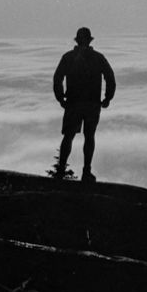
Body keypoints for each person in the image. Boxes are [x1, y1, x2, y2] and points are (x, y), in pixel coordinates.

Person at [52, 27, 116, 182]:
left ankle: (61, 170)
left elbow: (57, 78)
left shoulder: (68, 57)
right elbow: (110, 78)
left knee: (69, 136)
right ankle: (86, 172)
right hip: (92, 104)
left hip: (73, 103)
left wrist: (61, 98)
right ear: (89, 40)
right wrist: (107, 98)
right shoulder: (98, 58)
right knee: (89, 136)